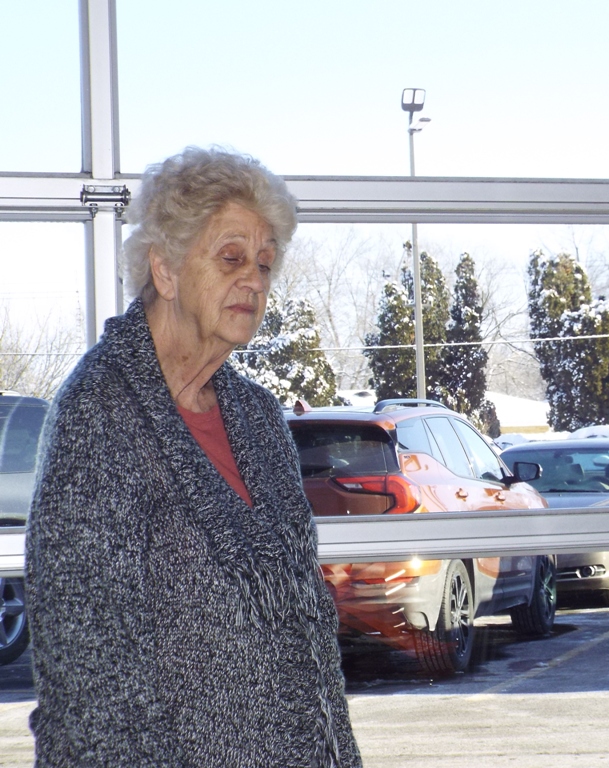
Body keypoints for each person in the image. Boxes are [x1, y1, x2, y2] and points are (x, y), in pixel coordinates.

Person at [25, 147, 362, 767]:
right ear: (165, 269)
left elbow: (310, 634)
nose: (254, 280)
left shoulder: (257, 415)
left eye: (265, 262)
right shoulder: (100, 416)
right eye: (231, 257)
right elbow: (88, 686)